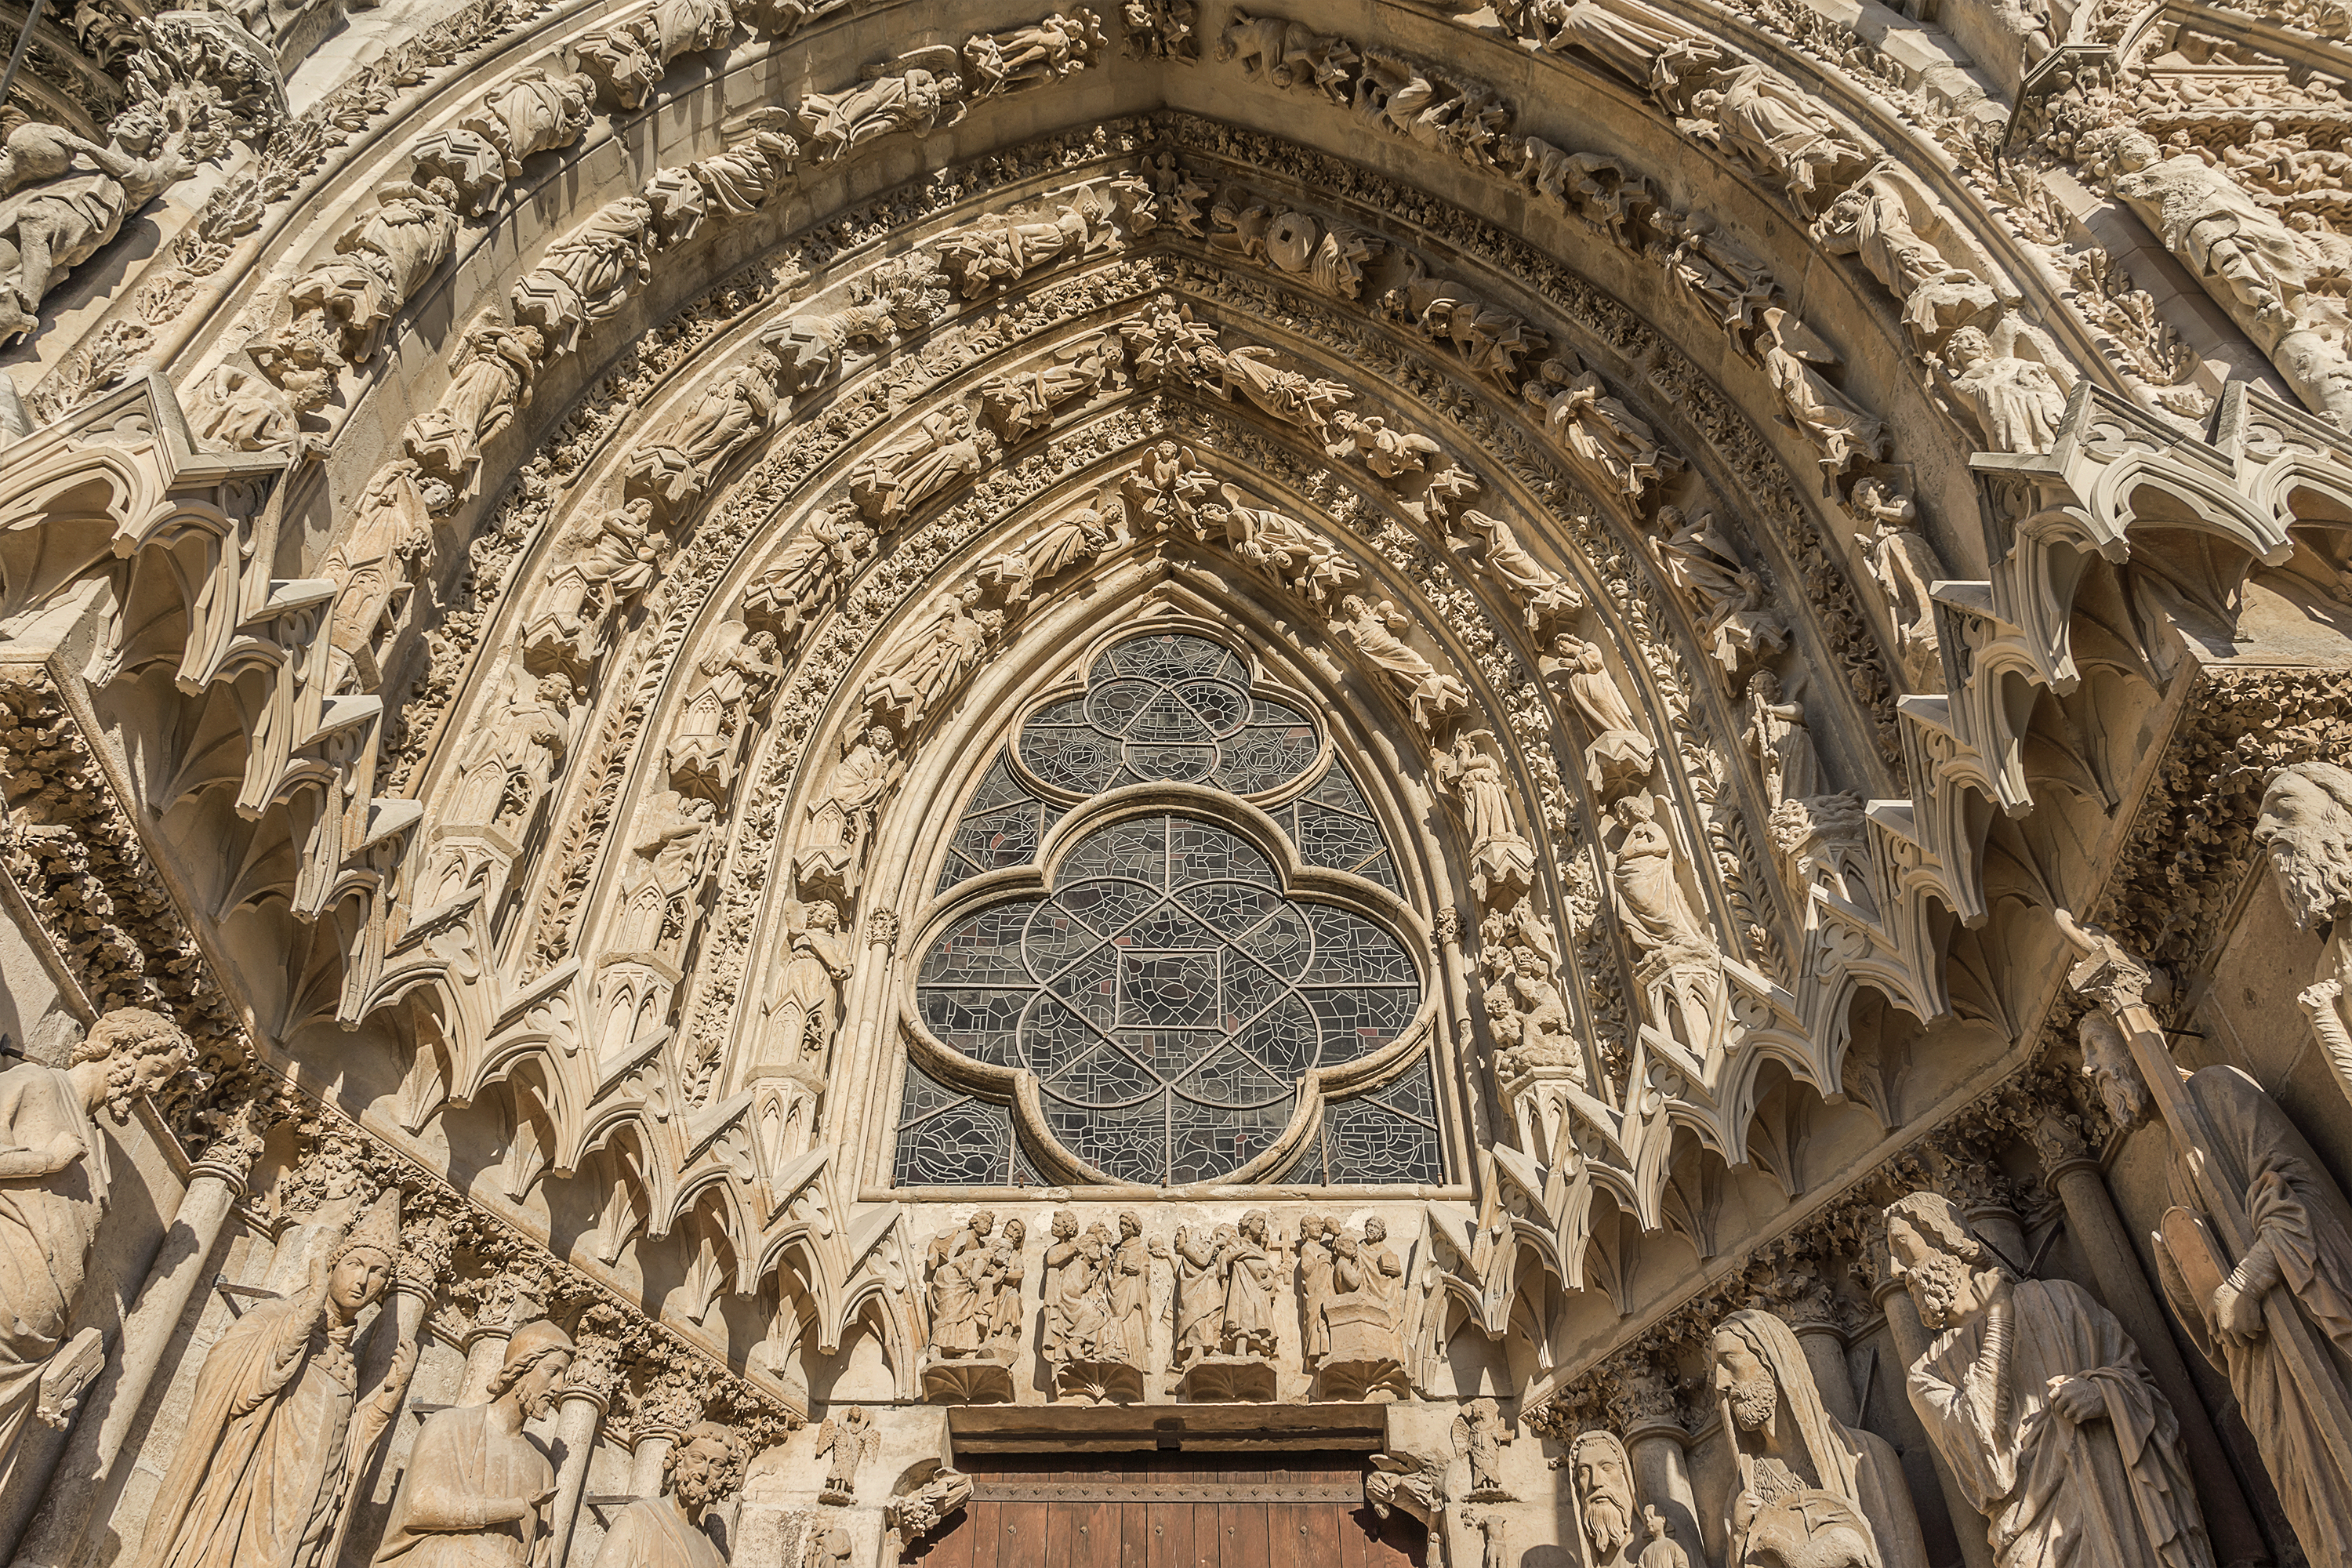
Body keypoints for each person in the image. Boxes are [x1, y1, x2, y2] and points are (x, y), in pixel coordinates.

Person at [372, 1321, 573, 1568]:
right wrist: (515, 1507)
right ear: (519, 1368)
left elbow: (541, 1560)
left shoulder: (542, 1468)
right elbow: (420, 1507)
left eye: (564, 1376)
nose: (559, 1387)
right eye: (553, 1372)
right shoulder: (448, 1425)